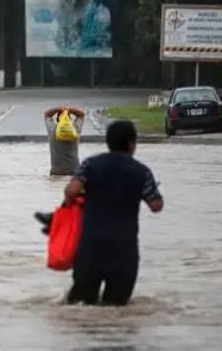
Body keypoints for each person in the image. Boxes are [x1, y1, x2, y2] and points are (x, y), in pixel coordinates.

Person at [62, 120, 164, 306]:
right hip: (124, 252)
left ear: (108, 142)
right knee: (116, 309)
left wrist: (71, 210)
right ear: (132, 144)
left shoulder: (91, 165)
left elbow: (71, 191)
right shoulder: (142, 172)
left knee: (79, 306)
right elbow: (156, 205)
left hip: (91, 249)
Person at [44, 106, 86, 176]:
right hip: (74, 171)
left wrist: (59, 108)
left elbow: (47, 114)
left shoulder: (52, 129)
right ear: (70, 120)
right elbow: (81, 114)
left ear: (57, 119)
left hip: (57, 171)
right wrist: (69, 109)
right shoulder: (76, 129)